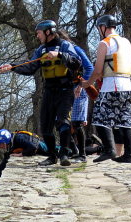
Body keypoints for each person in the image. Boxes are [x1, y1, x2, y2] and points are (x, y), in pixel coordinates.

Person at [0, 20, 81, 167]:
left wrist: (59, 55)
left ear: (47, 32)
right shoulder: (41, 50)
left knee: (63, 122)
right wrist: (12, 67)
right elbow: (30, 67)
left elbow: (77, 63)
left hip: (65, 90)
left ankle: (64, 154)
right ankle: (52, 156)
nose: (37, 36)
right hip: (49, 91)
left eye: (39, 33)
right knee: (45, 126)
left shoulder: (64, 45)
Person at [81, 14, 131, 163]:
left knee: (99, 118)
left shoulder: (104, 43)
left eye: (99, 28)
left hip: (112, 86)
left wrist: (87, 83)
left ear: (103, 27)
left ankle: (109, 150)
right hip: (128, 86)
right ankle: (129, 155)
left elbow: (98, 70)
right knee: (125, 122)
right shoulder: (126, 42)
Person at [56, 30, 94, 163]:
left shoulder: (76, 50)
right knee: (62, 121)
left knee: (77, 123)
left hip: (79, 89)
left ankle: (82, 155)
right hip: (66, 90)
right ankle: (73, 149)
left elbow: (89, 68)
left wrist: (82, 85)